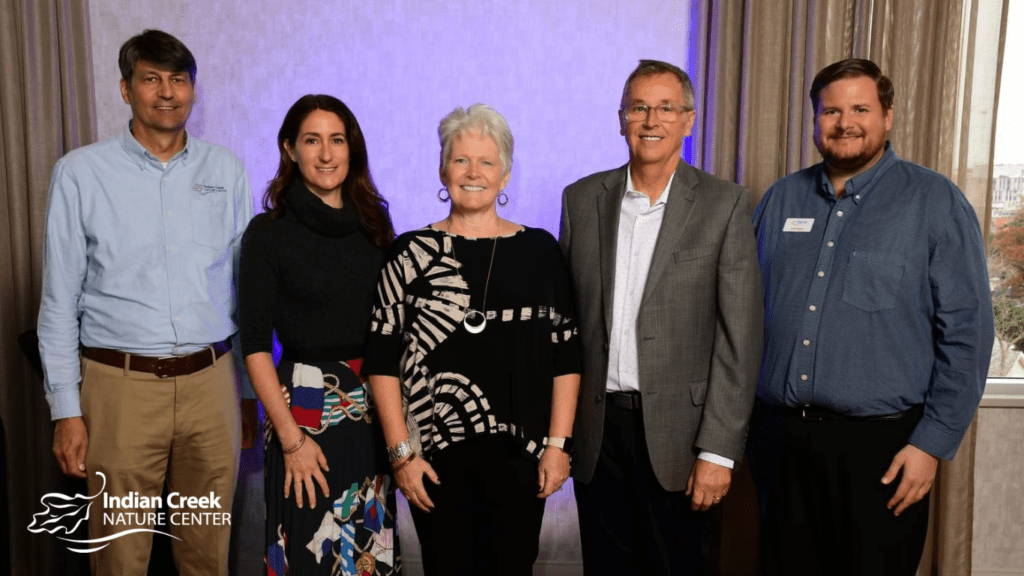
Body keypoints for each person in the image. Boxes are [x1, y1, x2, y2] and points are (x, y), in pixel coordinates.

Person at [749, 58, 995, 575]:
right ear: (815, 120)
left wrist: (930, 444)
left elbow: (967, 335)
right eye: (830, 111)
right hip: (781, 443)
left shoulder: (935, 201)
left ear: (887, 115)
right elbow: (745, 319)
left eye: (860, 108)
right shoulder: (780, 199)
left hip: (884, 450)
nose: (845, 122)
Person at [37, 29, 256, 575]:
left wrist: (249, 393)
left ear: (193, 91)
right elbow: (58, 302)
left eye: (178, 80)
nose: (166, 92)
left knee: (208, 558)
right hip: (120, 390)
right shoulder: (80, 174)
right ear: (125, 88)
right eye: (151, 79)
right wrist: (66, 409)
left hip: (211, 383)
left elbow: (246, 290)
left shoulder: (225, 172)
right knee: (119, 559)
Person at [559, 59, 763, 575]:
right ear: (621, 118)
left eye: (666, 108)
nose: (651, 120)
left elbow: (740, 339)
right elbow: (563, 327)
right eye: (639, 107)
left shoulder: (725, 204)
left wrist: (719, 451)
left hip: (682, 437)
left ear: (688, 120)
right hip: (597, 434)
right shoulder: (582, 200)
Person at [363, 103, 581, 576]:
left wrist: (559, 446)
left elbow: (566, 354)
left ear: (505, 175)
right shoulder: (410, 253)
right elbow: (381, 361)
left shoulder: (540, 251)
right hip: (434, 463)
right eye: (461, 160)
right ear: (443, 170)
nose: (473, 172)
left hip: (522, 461)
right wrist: (401, 455)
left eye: (487, 161)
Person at [239, 94, 400, 576]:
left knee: (367, 551)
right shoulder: (267, 232)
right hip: (304, 406)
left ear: (353, 149)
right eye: (312, 140)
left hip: (372, 403)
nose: (326, 154)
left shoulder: (375, 224)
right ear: (290, 148)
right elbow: (254, 346)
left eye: (337, 140)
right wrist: (290, 438)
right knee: (310, 549)